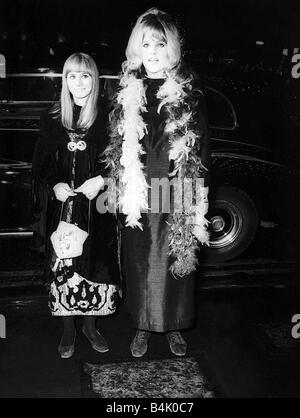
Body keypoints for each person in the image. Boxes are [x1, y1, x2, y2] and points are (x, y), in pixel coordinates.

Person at [104, 8, 210, 357]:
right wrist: (116, 187)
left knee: (174, 255)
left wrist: (196, 195)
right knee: (139, 259)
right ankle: (142, 326)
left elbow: (201, 147)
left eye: (159, 44)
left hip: (174, 186)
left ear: (171, 49)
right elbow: (116, 143)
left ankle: (173, 326)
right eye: (145, 43)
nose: (151, 51)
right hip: (138, 187)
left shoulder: (188, 92)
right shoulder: (126, 90)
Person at [32, 53, 121, 359]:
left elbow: (124, 162)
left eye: (85, 76)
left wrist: (103, 179)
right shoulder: (52, 117)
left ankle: (91, 327)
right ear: (64, 81)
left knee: (97, 265)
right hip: (64, 212)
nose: (79, 82)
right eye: (72, 75)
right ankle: (69, 329)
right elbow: (41, 165)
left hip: (97, 210)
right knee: (65, 267)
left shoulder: (110, 116)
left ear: (94, 80)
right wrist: (54, 184)